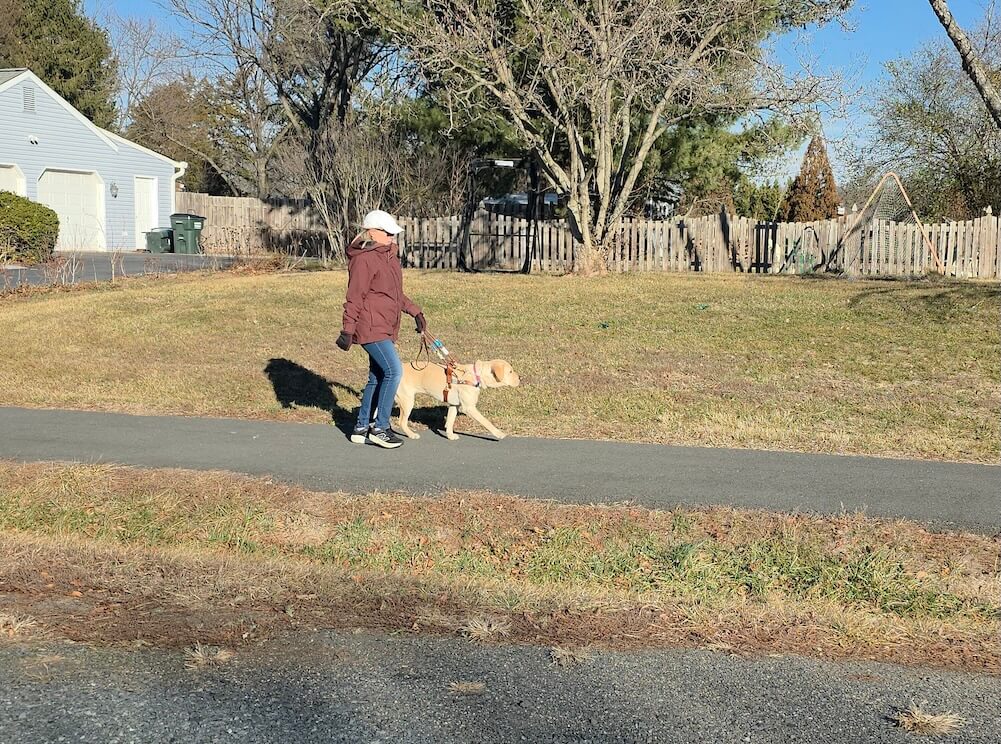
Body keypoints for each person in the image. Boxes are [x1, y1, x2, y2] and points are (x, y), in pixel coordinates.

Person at [336, 210, 426, 449]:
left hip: (386, 325)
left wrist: (415, 311)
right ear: (373, 232)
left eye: (394, 234)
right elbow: (354, 296)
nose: (393, 238)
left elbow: (394, 295)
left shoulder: (390, 257)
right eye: (388, 234)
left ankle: (361, 426)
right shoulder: (364, 259)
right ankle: (381, 427)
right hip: (370, 325)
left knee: (377, 376)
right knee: (394, 371)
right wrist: (347, 330)